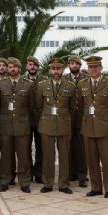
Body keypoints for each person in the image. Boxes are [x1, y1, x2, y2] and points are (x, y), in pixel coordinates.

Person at [77, 56, 108, 198]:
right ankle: (96, 187)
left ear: (101, 68)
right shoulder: (82, 84)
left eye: (96, 67)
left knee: (106, 160)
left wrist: (104, 118)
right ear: (88, 69)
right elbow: (80, 105)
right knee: (91, 159)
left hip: (104, 127)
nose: (93, 69)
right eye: (91, 67)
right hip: (88, 126)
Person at [35, 58, 76, 194]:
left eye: (58, 69)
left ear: (62, 70)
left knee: (64, 156)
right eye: (53, 69)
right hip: (47, 124)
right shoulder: (42, 86)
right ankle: (48, 183)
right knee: (48, 156)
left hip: (64, 124)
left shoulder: (70, 86)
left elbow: (72, 107)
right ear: (49, 71)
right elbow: (38, 106)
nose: (56, 71)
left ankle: (63, 184)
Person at [0, 57, 34, 193]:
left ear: (19, 68)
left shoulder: (28, 84)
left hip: (22, 125)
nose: (12, 69)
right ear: (7, 69)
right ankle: (5, 181)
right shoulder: (1, 84)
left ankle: (24, 182)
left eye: (15, 67)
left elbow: (32, 106)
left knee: (23, 156)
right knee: (6, 156)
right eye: (10, 67)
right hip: (5, 125)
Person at [64, 55, 89, 187]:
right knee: (68, 149)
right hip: (67, 119)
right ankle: (70, 174)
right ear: (69, 65)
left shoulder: (86, 79)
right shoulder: (64, 79)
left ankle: (82, 176)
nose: (74, 65)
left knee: (81, 150)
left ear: (80, 65)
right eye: (72, 63)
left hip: (81, 119)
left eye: (76, 64)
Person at [24, 56, 47, 183]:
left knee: (41, 148)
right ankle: (28, 173)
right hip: (26, 120)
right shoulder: (22, 80)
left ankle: (39, 173)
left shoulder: (44, 81)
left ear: (38, 67)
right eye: (30, 64)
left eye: (34, 65)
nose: (32, 67)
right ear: (27, 67)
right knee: (25, 148)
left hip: (40, 120)